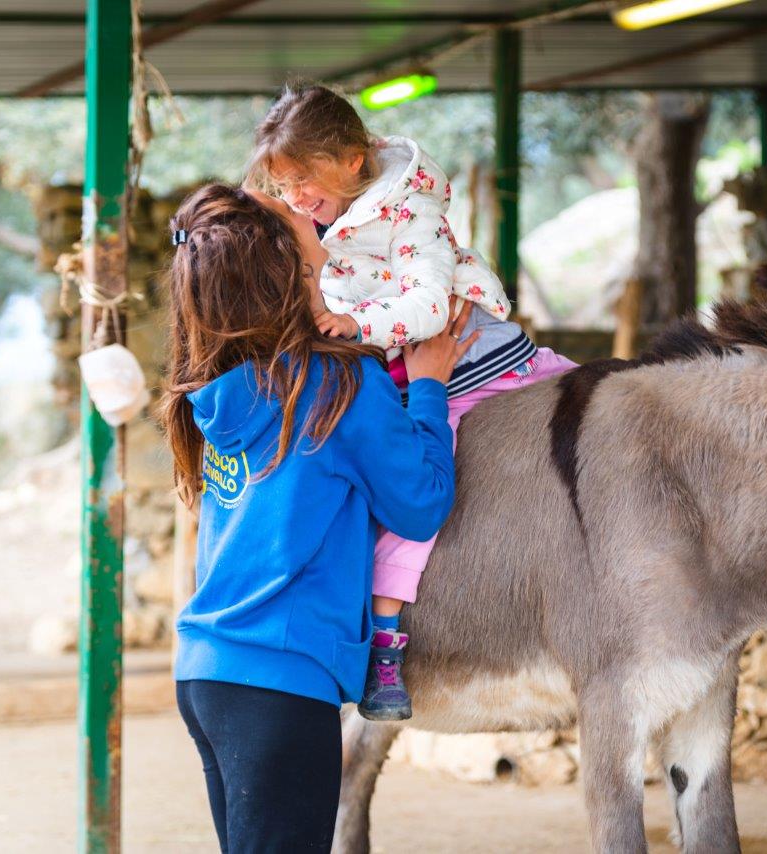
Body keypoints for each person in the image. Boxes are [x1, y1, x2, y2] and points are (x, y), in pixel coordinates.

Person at [159, 183, 475, 852]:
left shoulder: (223, 387)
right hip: (277, 683)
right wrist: (429, 385)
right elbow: (419, 505)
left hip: (208, 675)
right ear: (289, 281)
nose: (320, 235)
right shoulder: (334, 385)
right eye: (311, 256)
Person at [248, 84, 576, 720]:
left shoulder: (409, 213)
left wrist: (357, 328)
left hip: (461, 368)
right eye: (283, 188)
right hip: (417, 364)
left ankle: (387, 647)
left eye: (303, 182)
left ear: (351, 160)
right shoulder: (334, 210)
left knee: (414, 498)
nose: (295, 200)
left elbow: (428, 304)